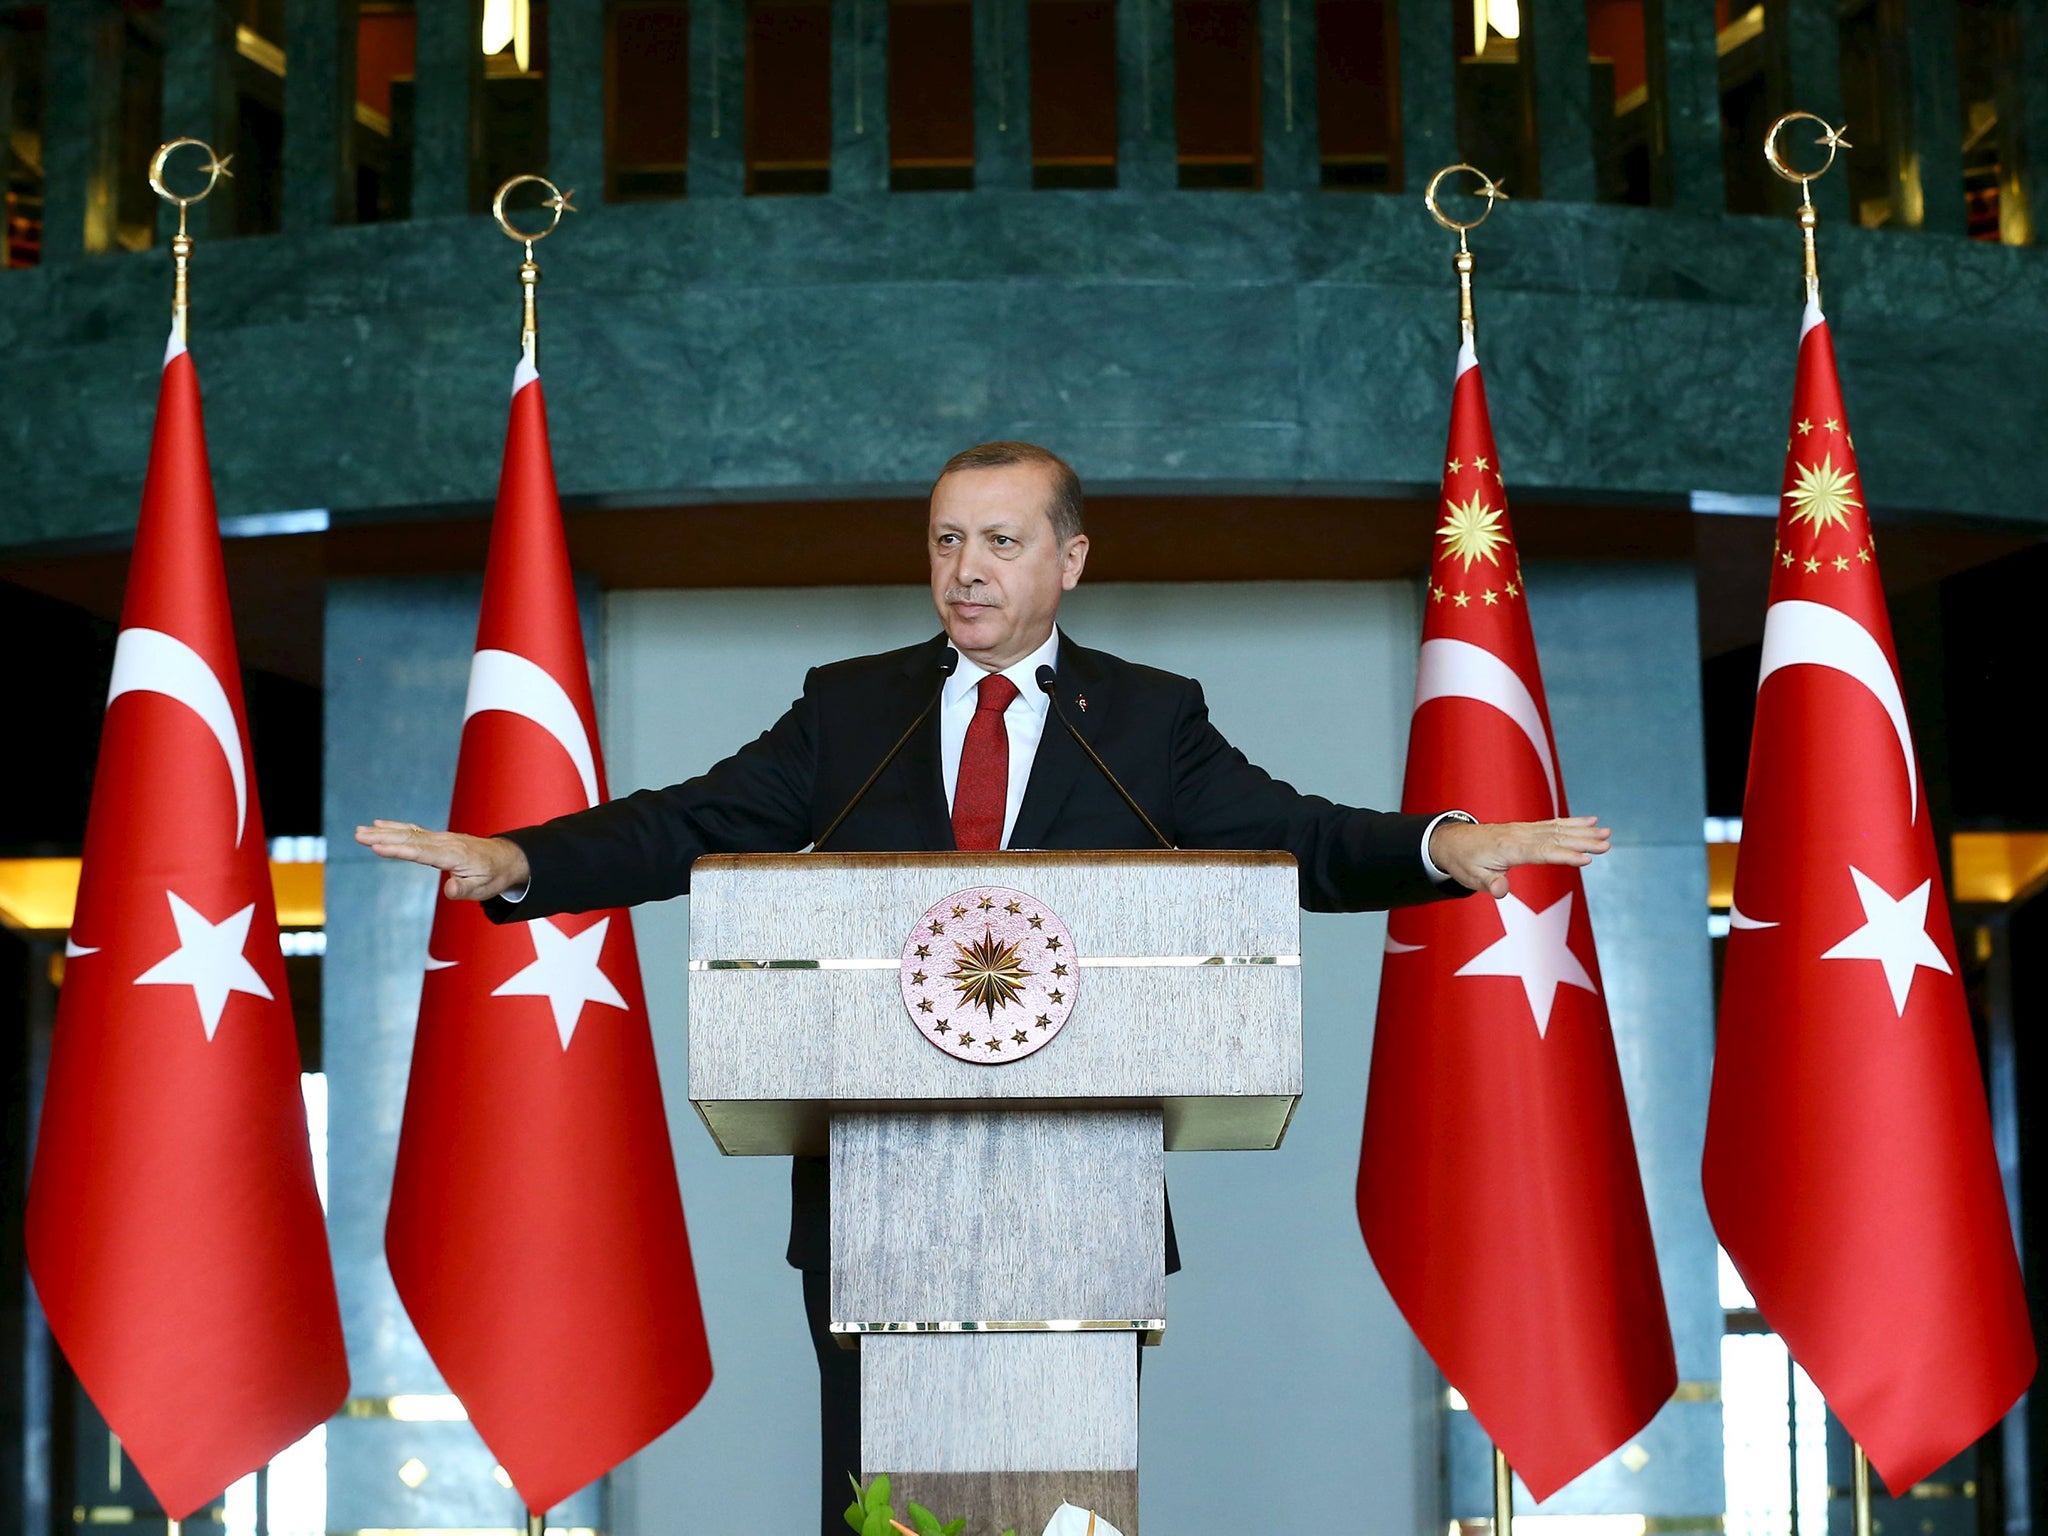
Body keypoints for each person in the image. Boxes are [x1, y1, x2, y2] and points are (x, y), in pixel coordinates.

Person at [359, 440, 1610, 1535]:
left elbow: (1297, 841)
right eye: (946, 541)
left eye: (1000, 542)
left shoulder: (1145, 719)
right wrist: (524, 860)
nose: (966, 569)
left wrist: (1446, 847)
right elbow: (694, 821)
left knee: (1061, 1498)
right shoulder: (852, 710)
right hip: (868, 1192)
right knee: (879, 1499)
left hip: (1086, 1197)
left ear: (1068, 560)